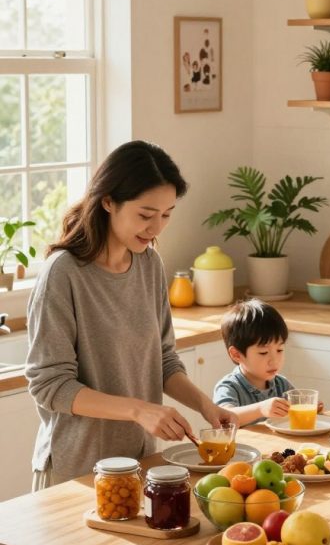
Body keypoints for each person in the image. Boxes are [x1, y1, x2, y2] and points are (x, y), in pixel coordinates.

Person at [26, 141, 228, 488]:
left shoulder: (148, 263)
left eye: (166, 214)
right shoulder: (64, 273)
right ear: (108, 202)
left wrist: (205, 406)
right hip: (76, 472)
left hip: (139, 463)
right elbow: (50, 386)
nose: (156, 228)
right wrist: (139, 410)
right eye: (145, 215)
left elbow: (163, 360)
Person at [212, 299, 295, 426]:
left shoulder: (282, 385)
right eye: (263, 353)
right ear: (237, 354)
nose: (275, 360)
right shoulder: (229, 387)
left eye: (279, 350)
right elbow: (224, 419)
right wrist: (260, 409)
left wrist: (309, 407)